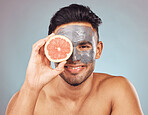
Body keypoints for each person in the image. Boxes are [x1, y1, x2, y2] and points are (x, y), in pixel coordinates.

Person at [6, 4, 143, 115]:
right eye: (66, 47)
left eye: (84, 46)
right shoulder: (28, 98)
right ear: (51, 49)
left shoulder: (118, 90)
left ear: (98, 50)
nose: (75, 58)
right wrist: (31, 87)